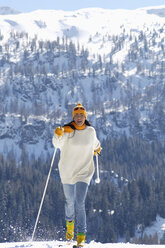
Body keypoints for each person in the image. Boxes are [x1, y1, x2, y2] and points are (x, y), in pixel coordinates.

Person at [52, 103, 101, 247]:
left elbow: (95, 143)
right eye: (77, 115)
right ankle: (69, 230)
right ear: (73, 117)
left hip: (84, 171)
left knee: (79, 203)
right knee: (69, 202)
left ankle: (81, 238)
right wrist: (57, 134)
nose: (79, 118)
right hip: (67, 171)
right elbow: (57, 144)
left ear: (85, 117)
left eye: (81, 115)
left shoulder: (90, 131)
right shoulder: (67, 131)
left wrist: (97, 148)